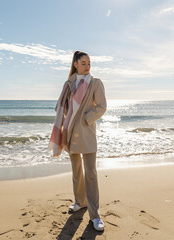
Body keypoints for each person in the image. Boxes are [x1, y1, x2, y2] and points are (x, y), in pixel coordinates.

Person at [48, 51, 107, 231]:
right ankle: (80, 202)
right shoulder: (69, 83)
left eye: (89, 63)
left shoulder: (95, 83)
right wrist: (65, 120)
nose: (87, 66)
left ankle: (95, 215)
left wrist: (86, 119)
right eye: (83, 63)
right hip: (70, 132)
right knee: (76, 171)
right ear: (75, 64)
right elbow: (63, 107)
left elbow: (102, 107)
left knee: (91, 173)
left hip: (87, 133)